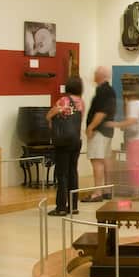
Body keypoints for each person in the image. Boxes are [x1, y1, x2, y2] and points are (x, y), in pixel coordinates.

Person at [107, 87, 139, 199]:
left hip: (137, 138)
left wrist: (116, 124)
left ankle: (136, 191)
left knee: (135, 165)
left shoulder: (134, 104)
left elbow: (132, 120)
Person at [46, 76, 84, 215]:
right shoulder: (81, 102)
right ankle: (73, 206)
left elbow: (50, 114)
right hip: (76, 140)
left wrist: (51, 117)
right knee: (73, 172)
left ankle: (61, 207)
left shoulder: (64, 100)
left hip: (63, 142)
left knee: (62, 174)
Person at [85, 66, 117, 202]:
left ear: (100, 75)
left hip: (100, 130)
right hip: (107, 131)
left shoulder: (103, 91)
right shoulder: (109, 90)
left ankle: (97, 192)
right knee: (105, 159)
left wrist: (91, 127)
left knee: (97, 160)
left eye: (95, 73)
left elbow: (101, 112)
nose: (94, 75)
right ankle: (107, 190)